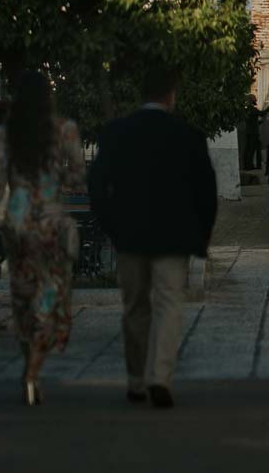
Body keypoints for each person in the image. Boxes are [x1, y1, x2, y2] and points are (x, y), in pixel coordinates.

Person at [88, 70, 217, 409]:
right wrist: (201, 237)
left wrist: (112, 227)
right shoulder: (189, 135)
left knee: (134, 308)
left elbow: (97, 187)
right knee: (169, 304)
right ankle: (160, 377)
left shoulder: (116, 133)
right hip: (174, 238)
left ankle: (135, 380)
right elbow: (206, 192)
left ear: (141, 93)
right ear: (171, 95)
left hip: (129, 236)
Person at [0, 67, 86, 408]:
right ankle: (32, 374)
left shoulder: (7, 134)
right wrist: (60, 177)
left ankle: (30, 369)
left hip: (18, 224)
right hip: (51, 225)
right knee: (49, 302)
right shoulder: (64, 131)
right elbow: (78, 175)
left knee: (23, 301)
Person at [242, 96, 262, 173]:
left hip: (248, 132)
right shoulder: (253, 110)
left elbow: (252, 121)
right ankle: (250, 166)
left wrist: (258, 123)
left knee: (248, 149)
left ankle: (247, 165)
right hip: (254, 133)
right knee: (252, 149)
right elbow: (262, 113)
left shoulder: (246, 110)